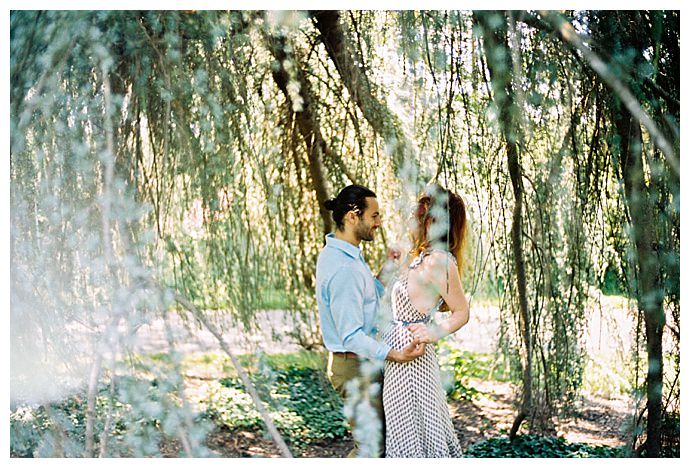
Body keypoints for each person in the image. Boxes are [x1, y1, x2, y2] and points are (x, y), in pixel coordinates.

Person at [315, 184, 426, 458]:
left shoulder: (345, 255)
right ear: (353, 216)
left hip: (359, 362)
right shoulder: (345, 268)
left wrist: (389, 267)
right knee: (371, 450)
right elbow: (351, 334)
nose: (379, 223)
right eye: (374, 216)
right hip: (353, 364)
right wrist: (395, 355)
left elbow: (368, 300)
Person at [382, 184, 471, 457]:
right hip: (399, 360)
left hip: (413, 363)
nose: (410, 219)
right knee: (406, 433)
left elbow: (462, 312)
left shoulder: (440, 261)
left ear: (431, 221)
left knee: (415, 436)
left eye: (415, 214)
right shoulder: (422, 258)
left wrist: (433, 332)